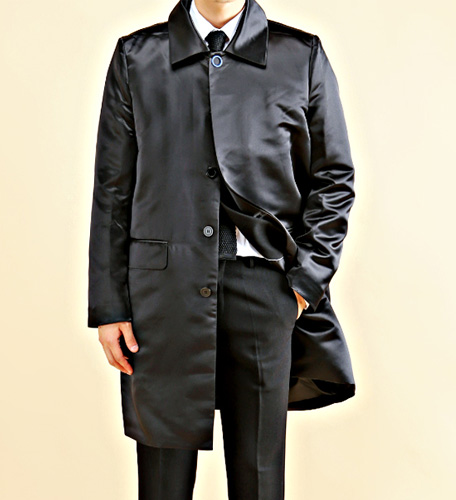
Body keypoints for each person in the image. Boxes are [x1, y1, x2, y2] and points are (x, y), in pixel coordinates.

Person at [87, 0, 356, 498]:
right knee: (162, 483)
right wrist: (109, 307)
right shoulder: (136, 57)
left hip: (266, 291)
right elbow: (113, 189)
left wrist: (304, 284)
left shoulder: (300, 56)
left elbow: (334, 178)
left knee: (259, 478)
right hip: (160, 295)